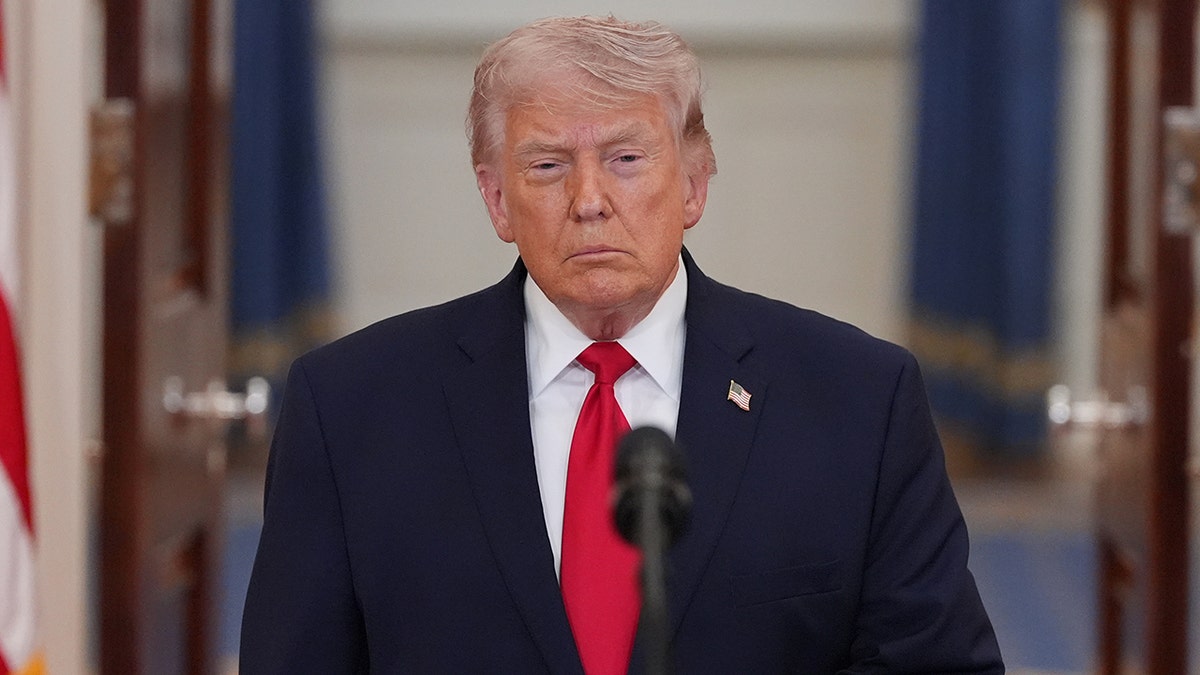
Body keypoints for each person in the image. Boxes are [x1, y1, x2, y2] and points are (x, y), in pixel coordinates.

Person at [240, 15, 1003, 674]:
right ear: (497, 199)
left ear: (696, 185)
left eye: (626, 158)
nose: (590, 200)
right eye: (548, 166)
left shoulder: (861, 400)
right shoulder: (347, 412)